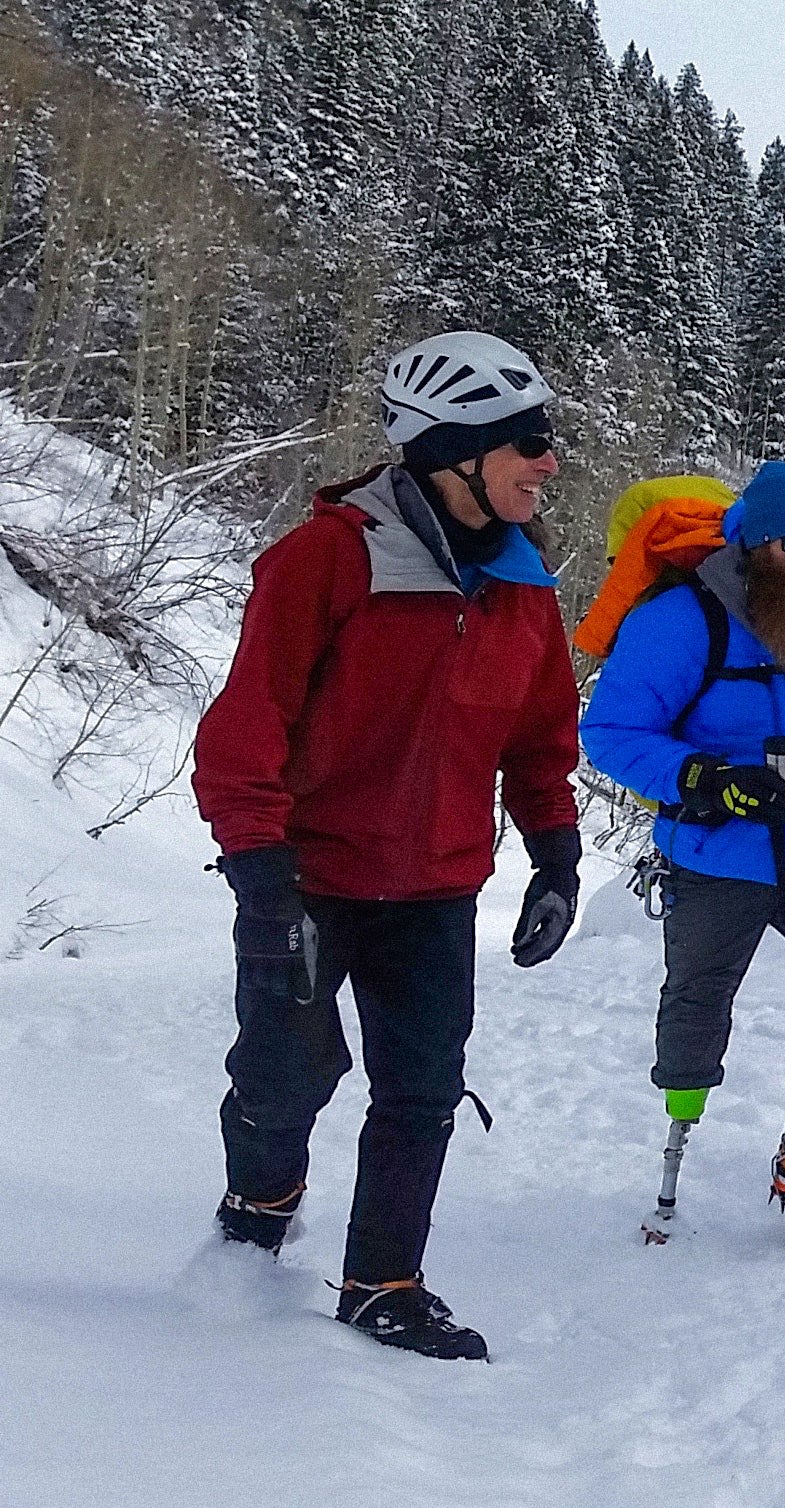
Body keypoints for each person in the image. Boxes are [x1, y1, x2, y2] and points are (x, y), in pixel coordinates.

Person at [193, 330, 585, 1360]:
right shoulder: (328, 557)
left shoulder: (522, 581)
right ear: (454, 450)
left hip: (436, 888)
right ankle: (259, 1203)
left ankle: (382, 1283)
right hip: (311, 877)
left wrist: (555, 851)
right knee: (284, 1077)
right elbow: (246, 725)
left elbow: (541, 734)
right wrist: (260, 871)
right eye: (528, 442)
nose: (549, 461)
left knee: (421, 1087)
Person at [577, 460, 785, 1243]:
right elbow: (611, 734)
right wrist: (700, 777)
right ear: (754, 540)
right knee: (698, 1002)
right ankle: (679, 1123)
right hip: (715, 849)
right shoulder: (680, 617)